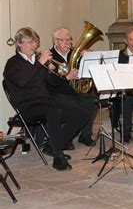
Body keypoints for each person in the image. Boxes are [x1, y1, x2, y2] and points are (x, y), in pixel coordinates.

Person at [3, 28, 86, 171]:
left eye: (35, 42)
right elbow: (22, 81)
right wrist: (39, 64)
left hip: (46, 101)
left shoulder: (38, 62)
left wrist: (59, 74)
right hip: (28, 107)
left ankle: (51, 146)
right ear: (18, 44)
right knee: (53, 111)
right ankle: (58, 157)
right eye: (29, 42)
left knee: (81, 113)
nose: (34, 46)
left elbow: (51, 84)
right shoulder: (13, 63)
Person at [47, 27, 98, 147]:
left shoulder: (73, 53)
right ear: (55, 42)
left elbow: (86, 72)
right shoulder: (50, 57)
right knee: (73, 104)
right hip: (58, 93)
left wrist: (88, 57)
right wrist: (67, 78)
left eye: (69, 40)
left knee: (92, 101)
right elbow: (50, 82)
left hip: (74, 91)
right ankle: (67, 138)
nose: (68, 43)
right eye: (64, 40)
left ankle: (85, 135)